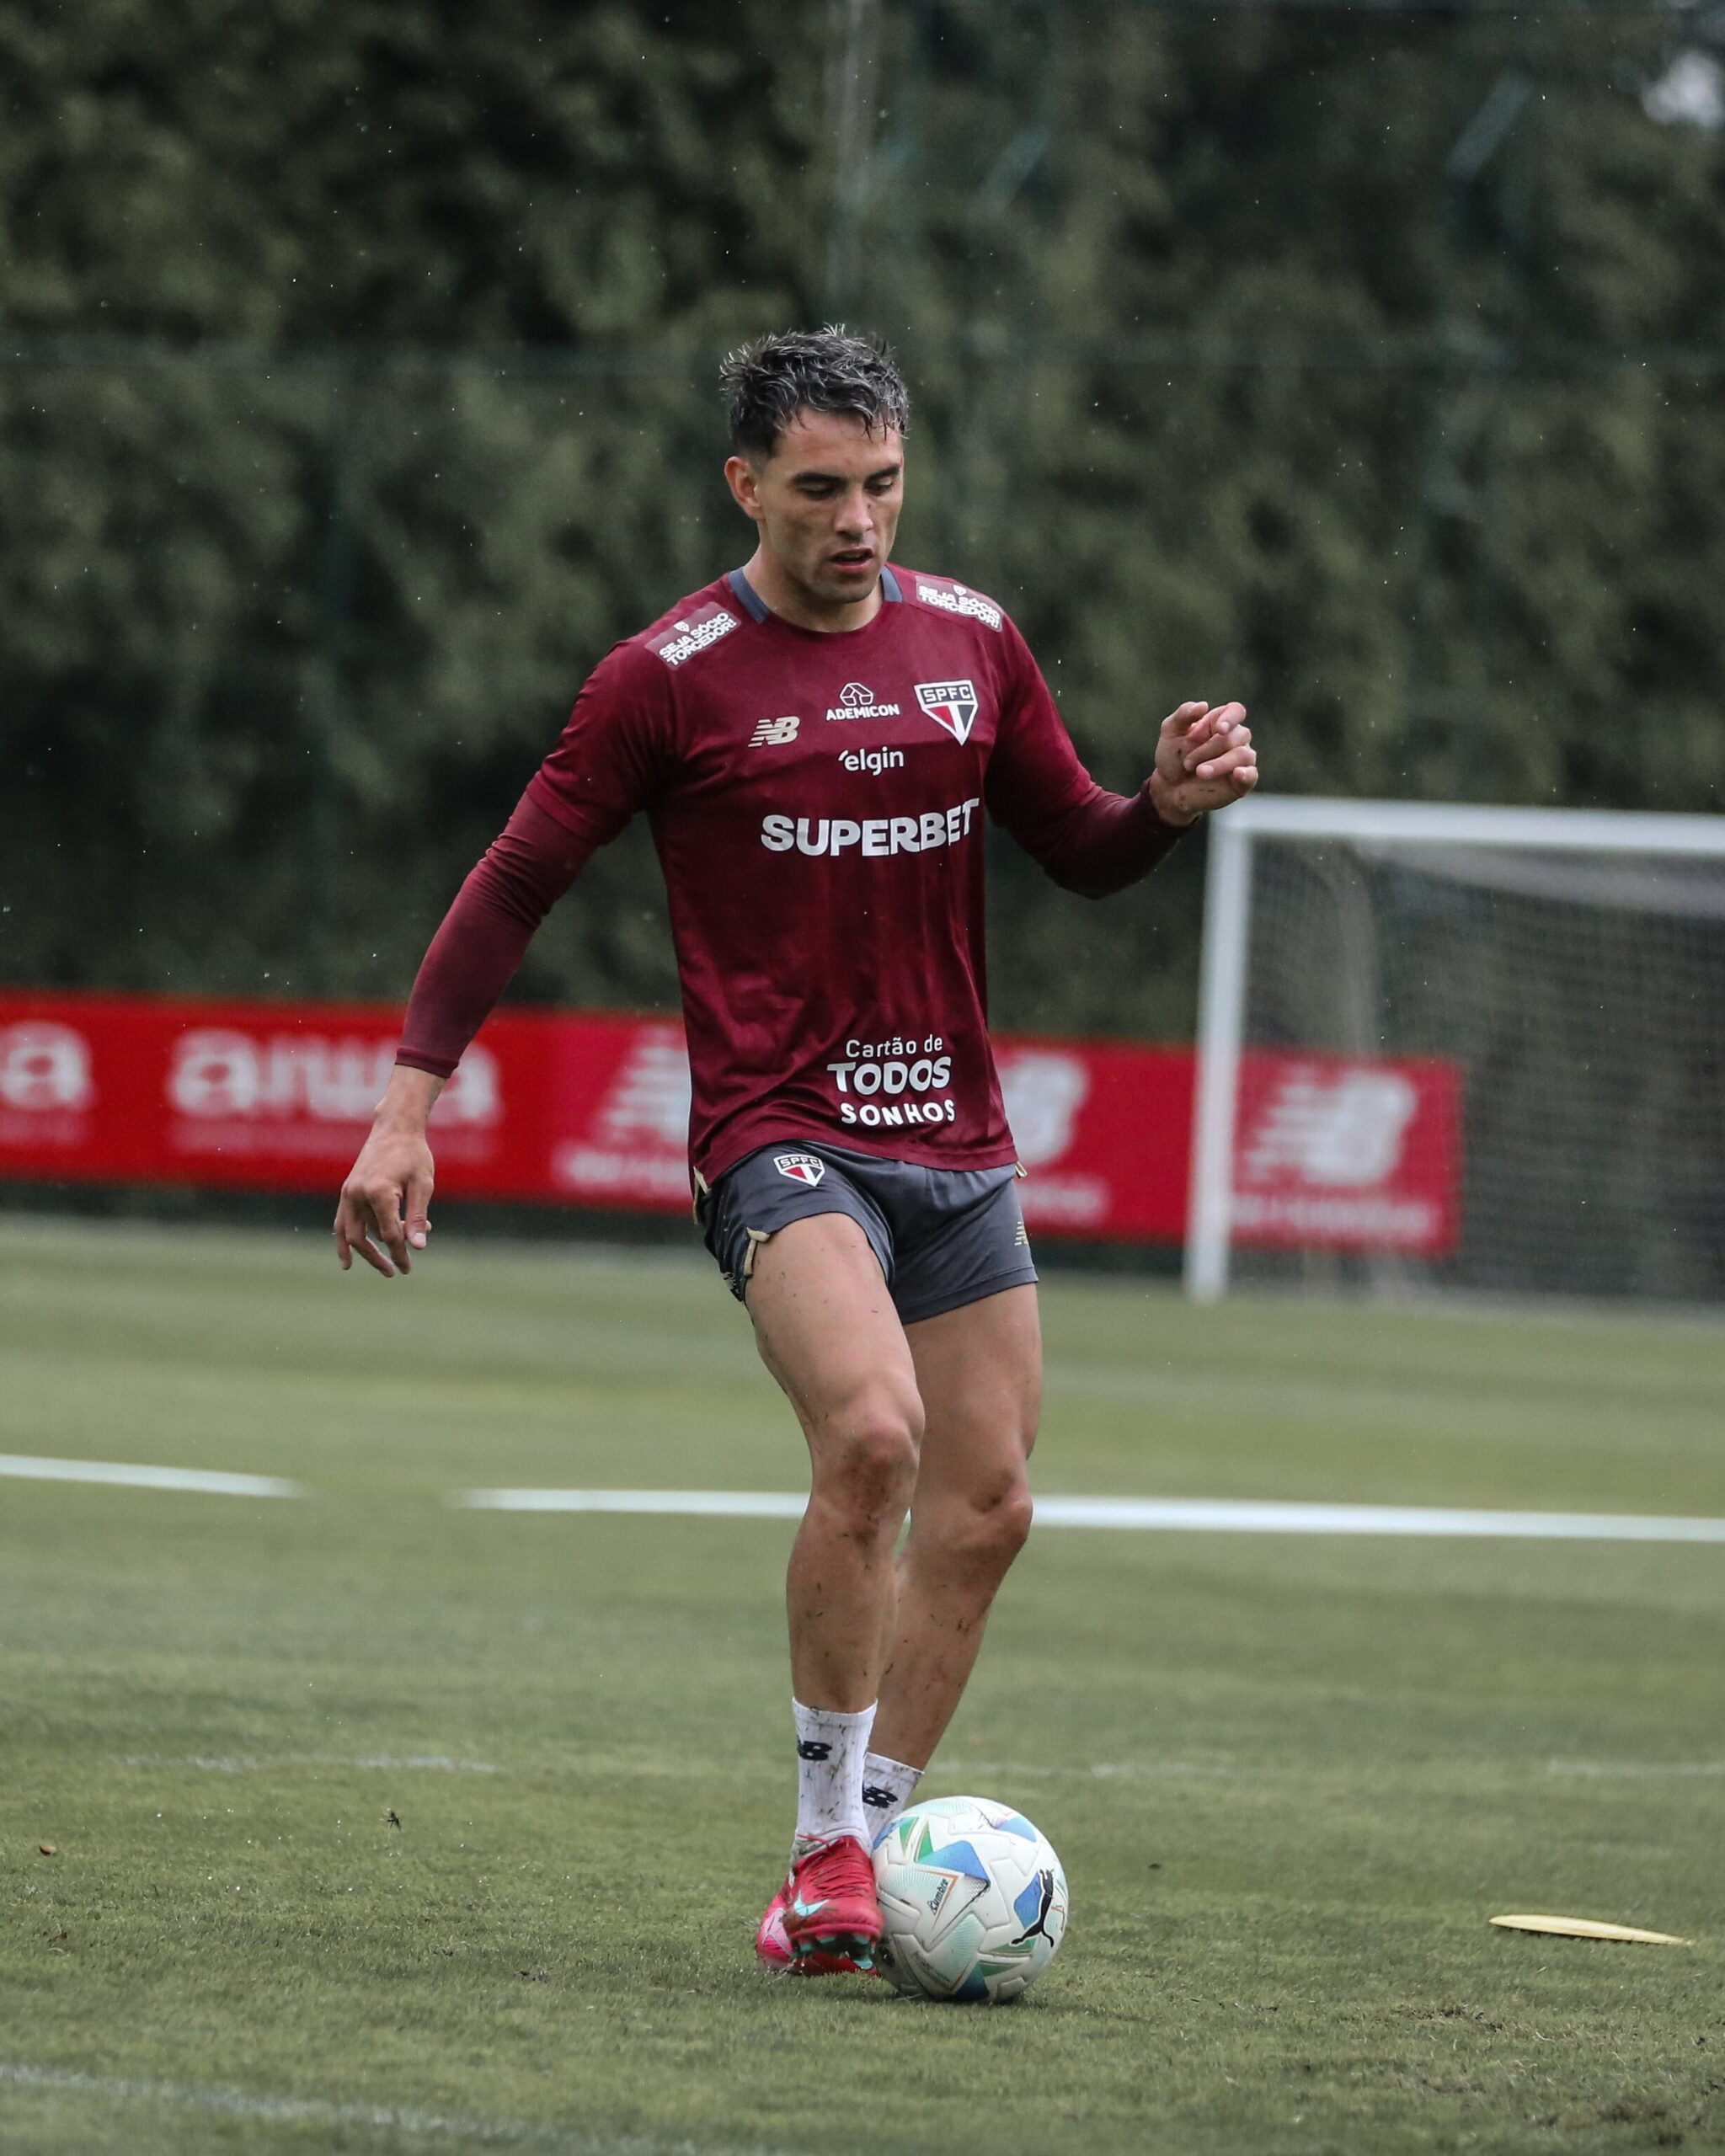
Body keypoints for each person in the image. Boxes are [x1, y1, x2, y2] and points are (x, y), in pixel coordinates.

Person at [334, 327, 1258, 1977]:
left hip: (958, 1141)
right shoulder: (667, 676)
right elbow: (514, 878)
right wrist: (409, 1102)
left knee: (990, 1504)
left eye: (883, 483)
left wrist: (1164, 809)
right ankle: (830, 1840)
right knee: (875, 1434)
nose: (857, 519)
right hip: (780, 1133)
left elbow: (1080, 847)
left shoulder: (972, 641)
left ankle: (864, 1847)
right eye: (820, 488)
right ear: (745, 483)